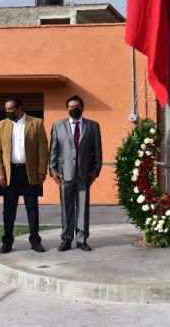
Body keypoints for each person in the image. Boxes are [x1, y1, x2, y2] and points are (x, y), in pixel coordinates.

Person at [0, 96, 49, 253]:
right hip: (10, 173)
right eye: (6, 109)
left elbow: (43, 149)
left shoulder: (36, 123)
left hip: (29, 172)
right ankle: (7, 242)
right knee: (9, 209)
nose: (8, 112)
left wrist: (42, 170)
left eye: (11, 109)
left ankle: (35, 241)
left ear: (20, 108)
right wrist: (0, 173)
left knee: (32, 207)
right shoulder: (2, 125)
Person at [50, 95, 103, 251]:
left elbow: (98, 152)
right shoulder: (58, 126)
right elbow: (53, 150)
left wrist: (95, 173)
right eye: (71, 106)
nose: (74, 108)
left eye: (77, 106)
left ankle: (81, 240)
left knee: (82, 208)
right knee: (66, 208)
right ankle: (66, 239)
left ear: (82, 108)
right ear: (67, 108)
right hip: (64, 174)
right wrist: (53, 171)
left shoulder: (93, 126)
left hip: (84, 174)